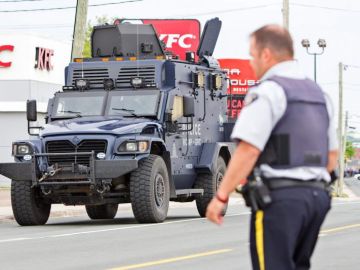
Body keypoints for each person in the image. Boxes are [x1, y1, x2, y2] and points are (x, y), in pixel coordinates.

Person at [206, 24, 338, 270]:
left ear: (266, 54)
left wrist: (221, 196)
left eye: (253, 55)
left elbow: (248, 150)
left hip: (282, 200)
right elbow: (331, 156)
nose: (252, 62)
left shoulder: (268, 91)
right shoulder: (320, 95)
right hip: (317, 198)